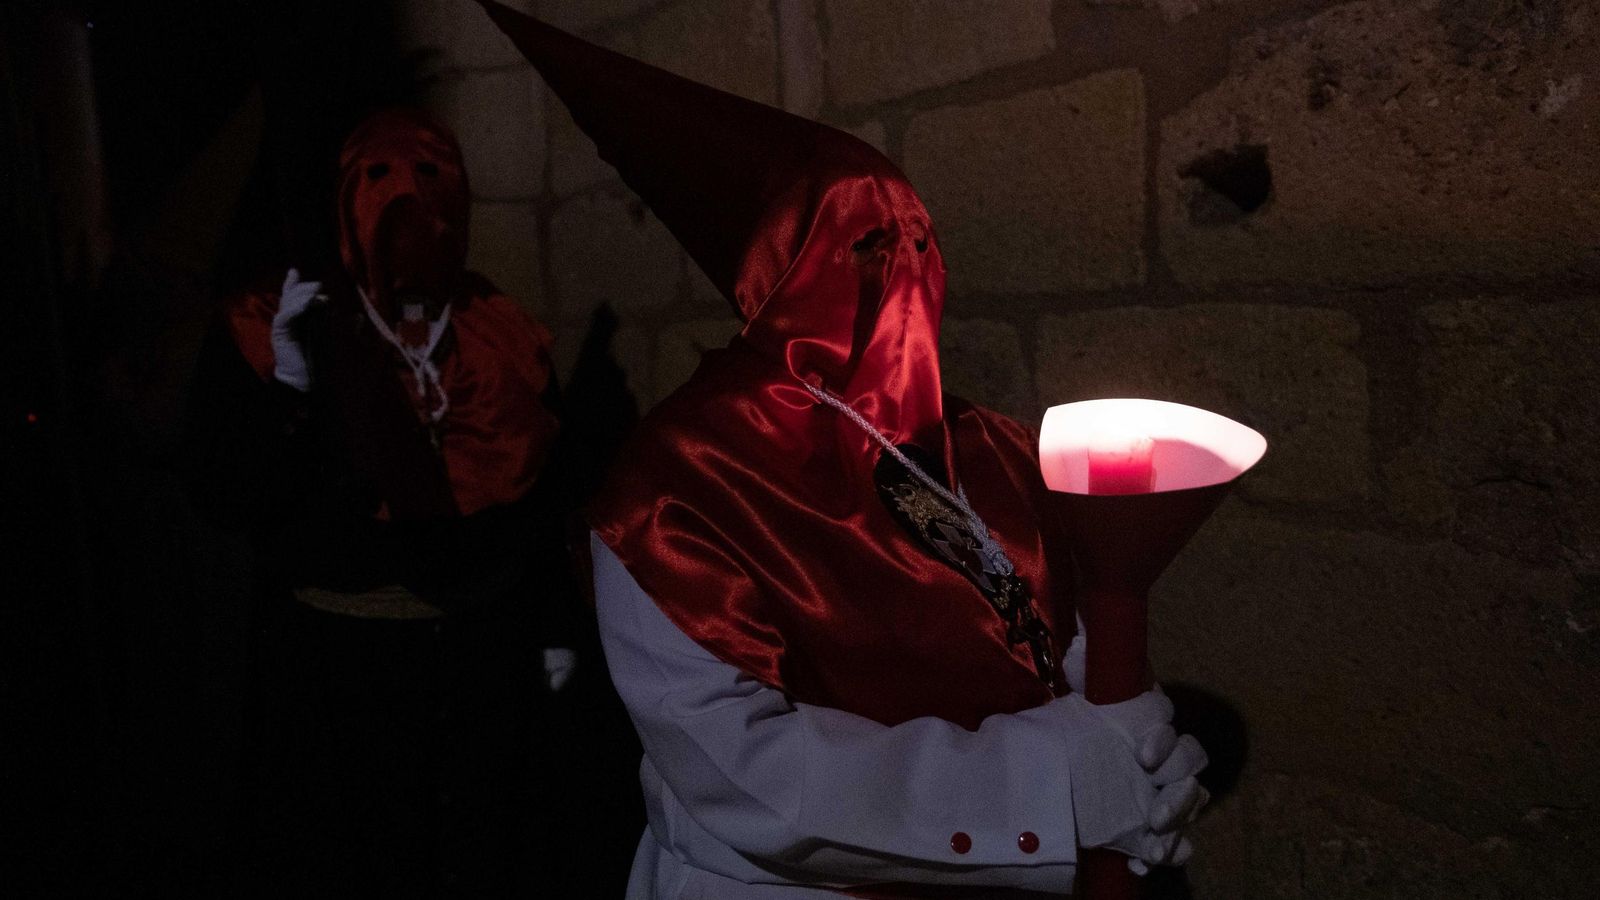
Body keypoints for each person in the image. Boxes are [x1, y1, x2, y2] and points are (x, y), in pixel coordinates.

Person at [476, 3, 1211, 896]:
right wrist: (1047, 787)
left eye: (919, 239)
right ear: (783, 268)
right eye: (863, 243)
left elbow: (1064, 624)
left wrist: (1127, 749)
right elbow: (741, 768)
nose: (901, 266)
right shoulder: (674, 486)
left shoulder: (991, 448)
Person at [185, 108, 579, 897]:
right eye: (380, 185)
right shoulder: (276, 324)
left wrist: (556, 631)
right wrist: (290, 382)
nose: (408, 205)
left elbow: (543, 506)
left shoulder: (498, 331)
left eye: (431, 185)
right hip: (338, 679)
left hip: (479, 667)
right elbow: (232, 492)